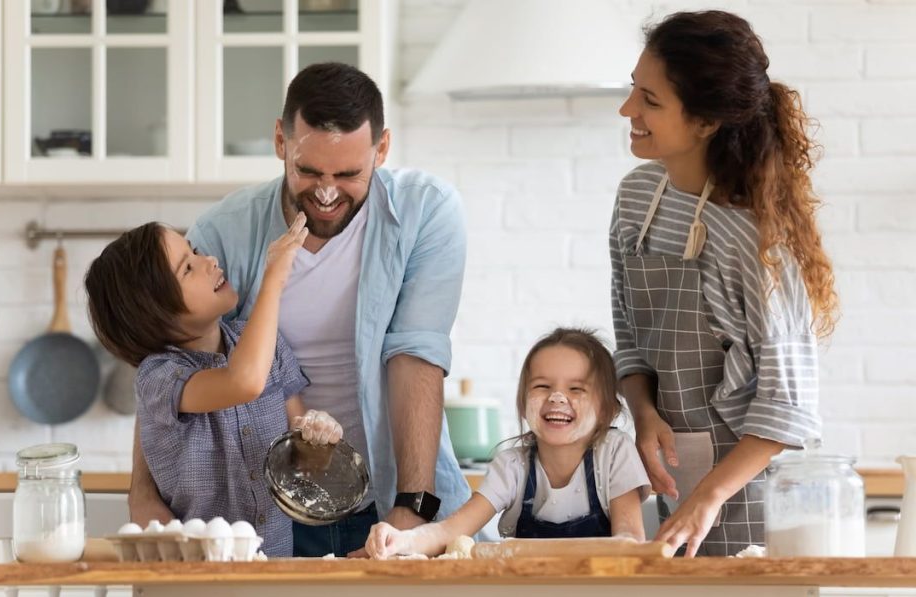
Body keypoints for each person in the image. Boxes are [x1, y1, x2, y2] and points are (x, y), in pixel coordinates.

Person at [126, 62, 471, 557]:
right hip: (266, 517)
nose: (327, 193)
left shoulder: (426, 213)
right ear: (280, 143)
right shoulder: (223, 232)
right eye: (309, 171)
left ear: (383, 149)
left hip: (393, 503)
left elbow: (415, 355)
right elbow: (166, 360)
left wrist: (411, 507)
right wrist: (142, 491)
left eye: (349, 174)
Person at [610, 10, 839, 557]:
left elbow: (787, 404)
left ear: (706, 122)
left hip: (756, 499)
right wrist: (643, 414)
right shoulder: (636, 196)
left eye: (651, 100)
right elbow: (630, 336)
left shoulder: (753, 238)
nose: (628, 110)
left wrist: (707, 497)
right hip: (675, 480)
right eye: (633, 90)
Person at [85, 215, 344, 558]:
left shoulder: (270, 347)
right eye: (187, 269)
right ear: (154, 312)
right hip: (197, 582)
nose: (209, 261)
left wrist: (319, 439)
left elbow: (301, 466)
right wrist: (274, 279)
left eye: (194, 252)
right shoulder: (159, 378)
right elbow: (243, 382)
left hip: (276, 574)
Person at [366, 328, 651, 559]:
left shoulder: (615, 452)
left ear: (607, 410)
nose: (557, 397)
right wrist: (401, 540)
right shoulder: (514, 465)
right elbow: (451, 531)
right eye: (542, 386)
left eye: (576, 389)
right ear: (522, 400)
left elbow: (630, 541)